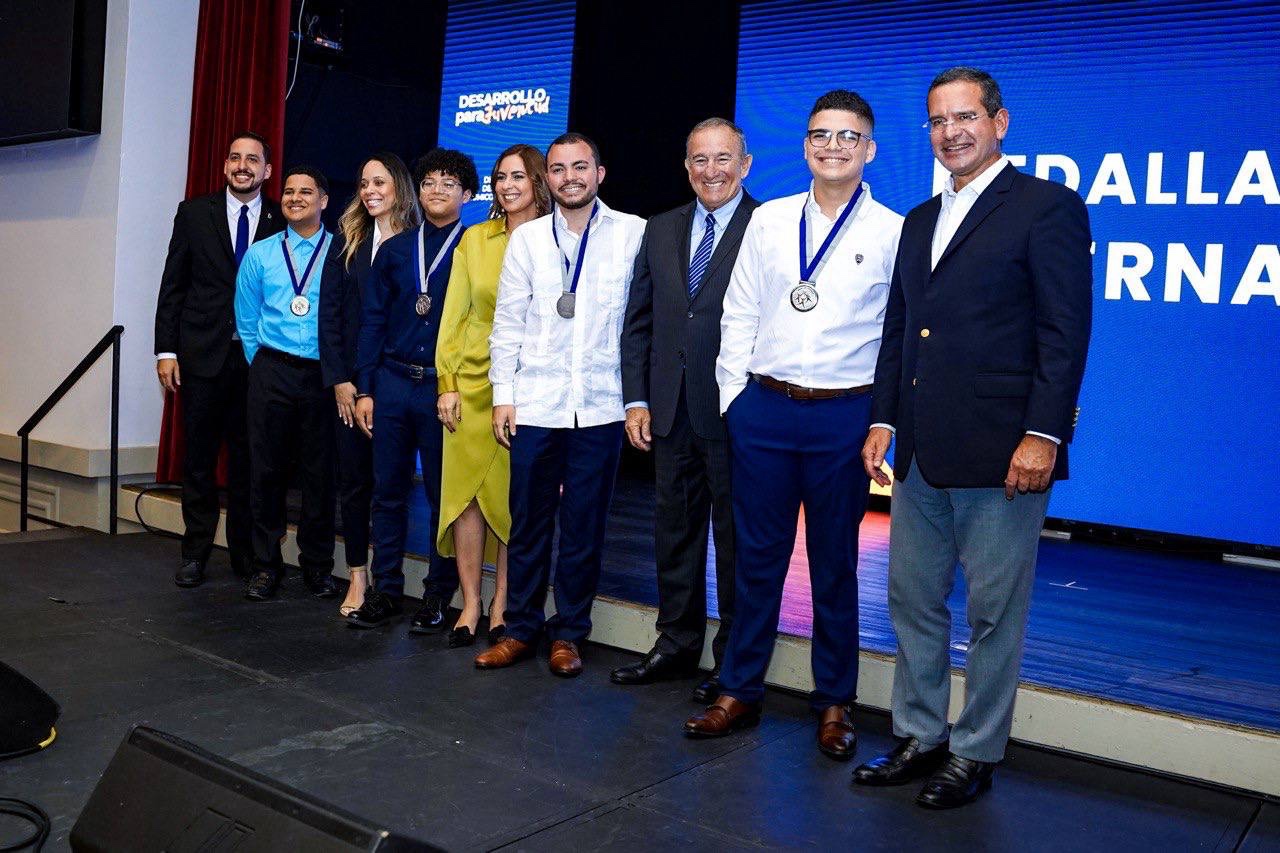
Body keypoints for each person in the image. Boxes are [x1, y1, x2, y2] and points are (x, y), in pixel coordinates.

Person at [853, 67, 1091, 808]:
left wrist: (1043, 435)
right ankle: (919, 735)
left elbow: (1064, 333)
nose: (950, 132)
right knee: (912, 602)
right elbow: (901, 329)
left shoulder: (1047, 207)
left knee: (994, 614)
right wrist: (884, 418)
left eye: (965, 117)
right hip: (920, 451)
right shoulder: (920, 218)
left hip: (1004, 452)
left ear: (999, 122)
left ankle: (976, 751)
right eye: (937, 120)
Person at [683, 91, 903, 763]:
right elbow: (739, 311)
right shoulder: (771, 220)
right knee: (755, 559)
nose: (833, 147)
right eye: (821, 135)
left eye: (848, 136)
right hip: (766, 411)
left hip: (844, 416)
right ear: (805, 146)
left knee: (835, 564)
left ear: (870, 149)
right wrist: (735, 402)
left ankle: (834, 702)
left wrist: (881, 418)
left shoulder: (893, 231)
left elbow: (895, 336)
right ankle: (739, 689)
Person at [474, 132, 645, 676]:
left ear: (600, 173)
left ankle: (569, 634)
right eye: (558, 169)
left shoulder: (634, 234)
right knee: (527, 525)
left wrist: (638, 399)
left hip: (601, 406)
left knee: (583, 529)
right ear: (547, 178)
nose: (569, 177)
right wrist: (504, 395)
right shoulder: (527, 240)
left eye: (580, 167)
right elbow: (508, 323)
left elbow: (641, 326)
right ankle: (520, 629)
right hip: (537, 405)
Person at [611, 118, 758, 702]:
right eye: (700, 159)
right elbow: (638, 321)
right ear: (686, 167)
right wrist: (637, 398)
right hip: (669, 410)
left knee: (737, 541)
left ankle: (733, 661)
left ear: (745, 165)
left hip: (736, 413)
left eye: (723, 158)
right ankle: (675, 644)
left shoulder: (768, 226)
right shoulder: (661, 227)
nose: (711, 170)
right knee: (674, 533)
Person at [346, 148, 477, 631]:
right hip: (393, 384)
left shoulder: (474, 249)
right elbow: (372, 322)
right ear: (417, 191)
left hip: (444, 391)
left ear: (468, 194)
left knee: (445, 498)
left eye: (449, 183)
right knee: (388, 493)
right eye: (428, 183)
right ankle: (385, 590)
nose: (437, 190)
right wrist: (366, 388)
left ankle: (437, 596)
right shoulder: (397, 250)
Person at [155, 131, 284, 588]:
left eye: (252, 159)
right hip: (202, 356)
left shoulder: (281, 218)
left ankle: (246, 555)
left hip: (258, 360)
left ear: (267, 170)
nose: (242, 166)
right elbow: (173, 285)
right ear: (225, 165)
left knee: (251, 460)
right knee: (199, 459)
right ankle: (195, 552)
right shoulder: (193, 213)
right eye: (235, 157)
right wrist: (166, 350)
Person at [434, 144, 551, 648]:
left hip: (529, 384)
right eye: (501, 177)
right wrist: (447, 383)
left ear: (538, 181)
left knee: (510, 502)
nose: (507, 185)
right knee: (466, 501)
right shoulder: (474, 239)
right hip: (471, 381)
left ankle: (503, 602)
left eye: (518, 176)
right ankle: (470, 603)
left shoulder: (556, 237)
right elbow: (453, 316)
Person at [320, 152, 421, 617]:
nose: (369, 191)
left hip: (399, 383)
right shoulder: (348, 241)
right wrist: (342, 380)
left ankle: (390, 581)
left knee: (392, 487)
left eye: (379, 182)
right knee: (355, 482)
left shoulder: (422, 242)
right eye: (363, 183)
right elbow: (330, 317)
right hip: (351, 385)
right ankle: (358, 576)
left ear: (398, 185)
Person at [233, 165, 339, 602]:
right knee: (266, 471)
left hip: (323, 376)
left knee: (320, 475)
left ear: (324, 201)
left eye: (306, 192)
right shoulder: (260, 254)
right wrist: (262, 364)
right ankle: (265, 566)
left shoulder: (341, 252)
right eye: (289, 191)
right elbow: (246, 317)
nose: (295, 198)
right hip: (271, 371)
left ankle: (317, 566)